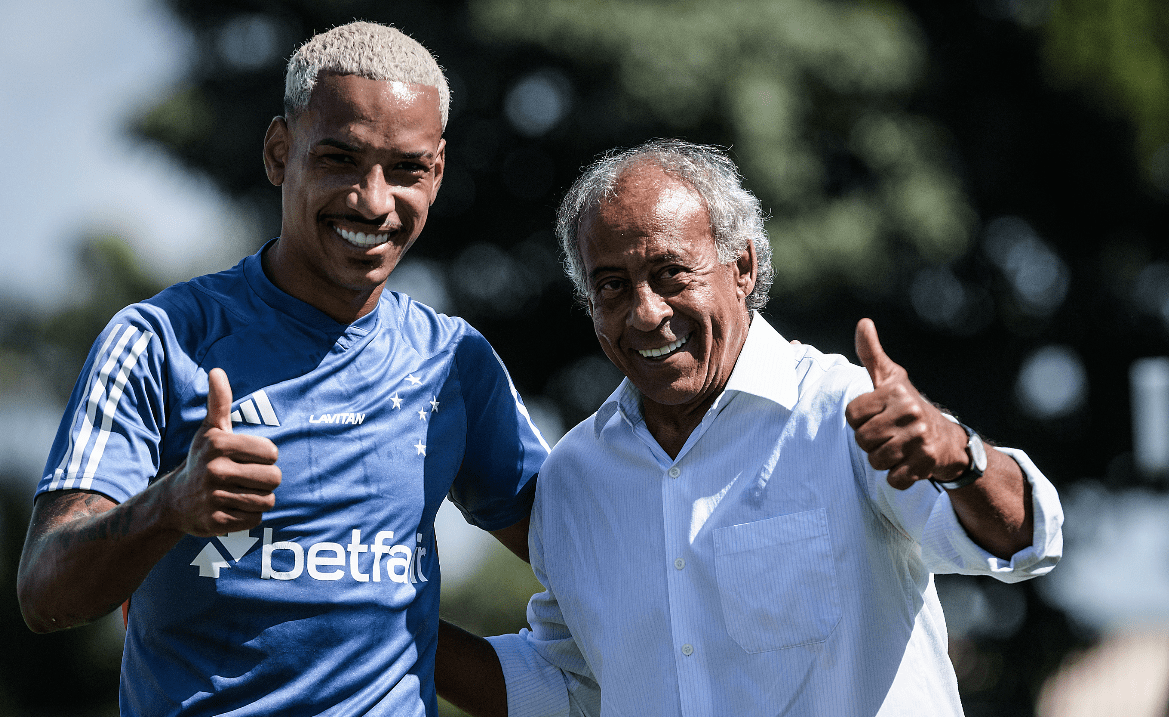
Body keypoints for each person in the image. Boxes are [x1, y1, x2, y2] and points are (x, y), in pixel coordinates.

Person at [17, 22, 549, 717]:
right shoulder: (159, 340)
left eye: (406, 169)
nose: (373, 201)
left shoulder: (452, 362)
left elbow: (590, 558)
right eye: (340, 159)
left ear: (438, 172)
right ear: (279, 152)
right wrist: (170, 506)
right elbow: (45, 592)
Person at [435, 139, 1064, 717]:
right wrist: (388, 622)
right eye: (613, 287)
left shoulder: (842, 414)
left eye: (671, 273)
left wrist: (960, 457)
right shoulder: (576, 477)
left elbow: (1024, 539)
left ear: (742, 267)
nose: (646, 313)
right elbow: (568, 688)